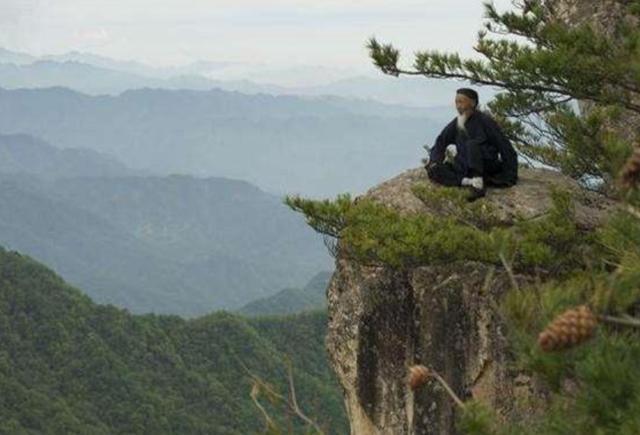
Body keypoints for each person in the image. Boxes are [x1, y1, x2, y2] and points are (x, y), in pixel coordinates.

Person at [424, 88, 518, 201]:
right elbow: (441, 141)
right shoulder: (457, 122)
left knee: (472, 145)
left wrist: (510, 174)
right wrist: (434, 160)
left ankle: (478, 185)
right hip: (463, 167)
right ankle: (467, 182)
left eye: (461, 102)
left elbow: (504, 146)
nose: (458, 106)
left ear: (473, 103)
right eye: (456, 102)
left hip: (484, 166)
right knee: (434, 170)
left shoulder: (485, 122)